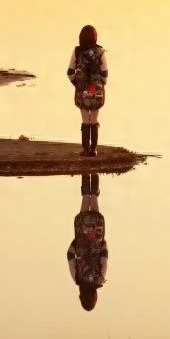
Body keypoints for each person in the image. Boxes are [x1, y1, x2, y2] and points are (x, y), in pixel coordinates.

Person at [67, 173, 109, 311]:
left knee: (95, 201)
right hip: (81, 235)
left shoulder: (100, 280)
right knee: (85, 200)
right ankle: (85, 170)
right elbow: (69, 255)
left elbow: (104, 256)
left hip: (96, 237)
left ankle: (95, 170)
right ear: (81, 297)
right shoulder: (77, 279)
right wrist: (76, 242)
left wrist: (102, 242)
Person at [68, 24, 108, 157]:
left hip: (82, 91)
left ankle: (85, 149)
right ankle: (94, 150)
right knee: (94, 120)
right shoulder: (100, 52)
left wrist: (76, 84)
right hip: (96, 92)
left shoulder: (77, 51)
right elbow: (105, 73)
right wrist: (102, 85)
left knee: (85, 120)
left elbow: (69, 72)